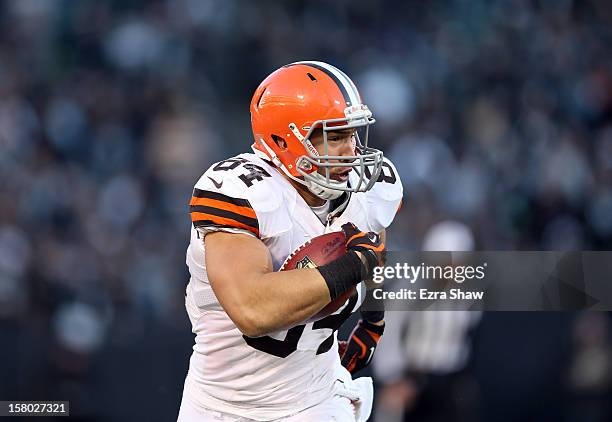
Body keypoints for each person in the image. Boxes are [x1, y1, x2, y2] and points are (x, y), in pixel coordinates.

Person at [177, 61, 403, 421]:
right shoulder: (243, 192)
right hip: (222, 408)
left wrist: (372, 322)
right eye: (334, 136)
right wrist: (355, 265)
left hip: (317, 400)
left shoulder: (365, 191)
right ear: (285, 139)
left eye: (353, 134)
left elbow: (373, 247)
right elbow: (253, 311)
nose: (351, 151)